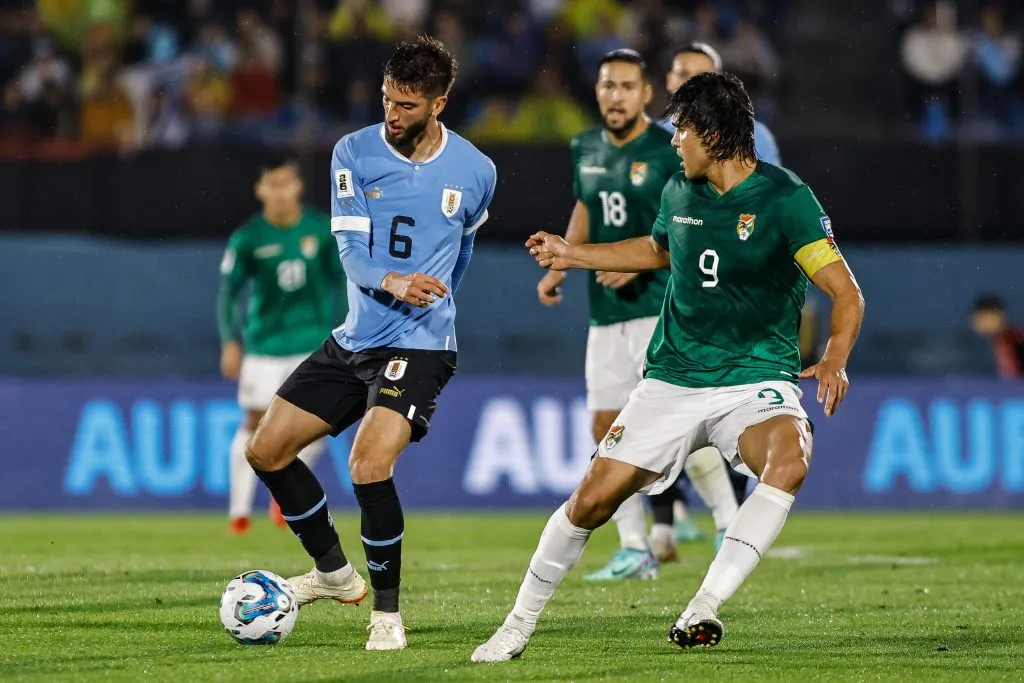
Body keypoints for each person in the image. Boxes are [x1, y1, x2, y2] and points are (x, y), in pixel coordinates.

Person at [472, 72, 864, 661]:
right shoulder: (680, 192)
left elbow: (846, 292)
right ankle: (517, 625)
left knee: (790, 458)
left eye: (681, 129)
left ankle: (703, 605)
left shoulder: (787, 200)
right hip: (672, 380)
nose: (673, 140)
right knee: (589, 503)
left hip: (755, 381)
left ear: (712, 132)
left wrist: (833, 358)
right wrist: (573, 254)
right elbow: (658, 249)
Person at [244, 35, 496, 651]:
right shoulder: (352, 152)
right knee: (266, 451)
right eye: (387, 99)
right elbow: (351, 256)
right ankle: (333, 575)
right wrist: (396, 281)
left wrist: (435, 300)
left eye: (407, 105)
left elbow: (462, 248)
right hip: (356, 338)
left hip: (423, 343)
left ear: (440, 102)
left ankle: (387, 613)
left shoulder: (477, 170)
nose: (392, 113)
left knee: (367, 462)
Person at [538, 48, 738, 581]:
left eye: (627, 86)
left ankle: (727, 519)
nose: (617, 95)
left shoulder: (672, 146)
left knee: (676, 424)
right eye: (608, 86)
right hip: (604, 313)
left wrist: (643, 265)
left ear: (647, 93)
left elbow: (691, 222)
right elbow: (586, 204)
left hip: (662, 307)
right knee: (606, 426)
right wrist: (562, 262)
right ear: (598, 91)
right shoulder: (584, 146)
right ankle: (635, 547)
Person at [645, 41, 783, 559]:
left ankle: (730, 518)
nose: (686, 82)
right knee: (660, 408)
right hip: (662, 288)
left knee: (729, 407)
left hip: (732, 292)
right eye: (680, 72)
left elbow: (763, 204)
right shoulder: (649, 138)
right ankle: (666, 524)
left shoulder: (757, 138)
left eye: (697, 75)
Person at [218, 157, 346, 535]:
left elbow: (341, 283)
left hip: (312, 343)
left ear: (298, 187)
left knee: (318, 423)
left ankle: (284, 492)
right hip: (264, 346)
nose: (279, 192)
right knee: (255, 423)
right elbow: (228, 294)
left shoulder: (321, 231)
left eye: (285, 183)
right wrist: (230, 341)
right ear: (260, 190)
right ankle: (239, 511)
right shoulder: (248, 238)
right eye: (271, 185)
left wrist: (341, 331)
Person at [970, 294, 1024, 378]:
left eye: (985, 317)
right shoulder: (974, 344)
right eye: (978, 318)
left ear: (1000, 317)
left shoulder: (1013, 338)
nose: (980, 323)